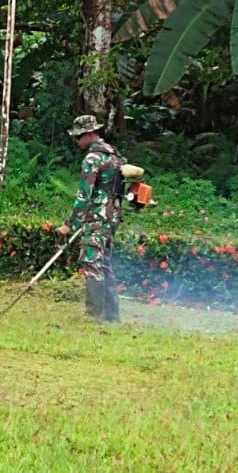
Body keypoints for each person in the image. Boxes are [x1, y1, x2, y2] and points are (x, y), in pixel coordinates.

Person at [54, 115, 144, 323]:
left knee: (92, 263)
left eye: (79, 137)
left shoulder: (93, 159)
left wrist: (70, 225)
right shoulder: (115, 156)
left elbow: (84, 195)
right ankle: (112, 317)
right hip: (112, 217)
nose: (77, 141)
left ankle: (94, 316)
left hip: (97, 217)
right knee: (104, 265)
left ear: (88, 134)